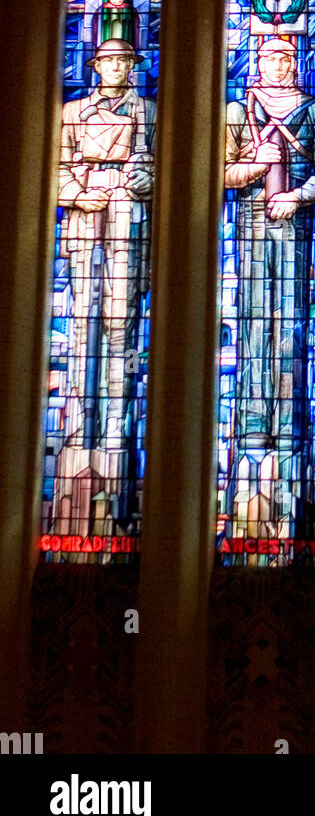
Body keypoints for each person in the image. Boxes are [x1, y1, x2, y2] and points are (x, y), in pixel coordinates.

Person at [55, 38, 156, 536]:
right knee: (83, 324)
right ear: (96, 66)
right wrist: (80, 192)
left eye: (124, 61)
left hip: (128, 223)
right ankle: (80, 427)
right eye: (108, 60)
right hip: (84, 223)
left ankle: (117, 429)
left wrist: (137, 182)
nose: (116, 67)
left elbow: (163, 167)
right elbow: (55, 168)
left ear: (132, 67)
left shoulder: (148, 111)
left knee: (122, 325)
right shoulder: (73, 111)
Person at [223, 37, 315, 538]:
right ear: (256, 63)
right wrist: (260, 167)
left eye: (286, 57)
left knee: (292, 325)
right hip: (253, 221)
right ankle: (253, 428)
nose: (278, 65)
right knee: (254, 323)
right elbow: (221, 171)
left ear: (296, 62)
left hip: (296, 224)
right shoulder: (238, 110)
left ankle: (290, 428)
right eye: (268, 58)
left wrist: (299, 196)